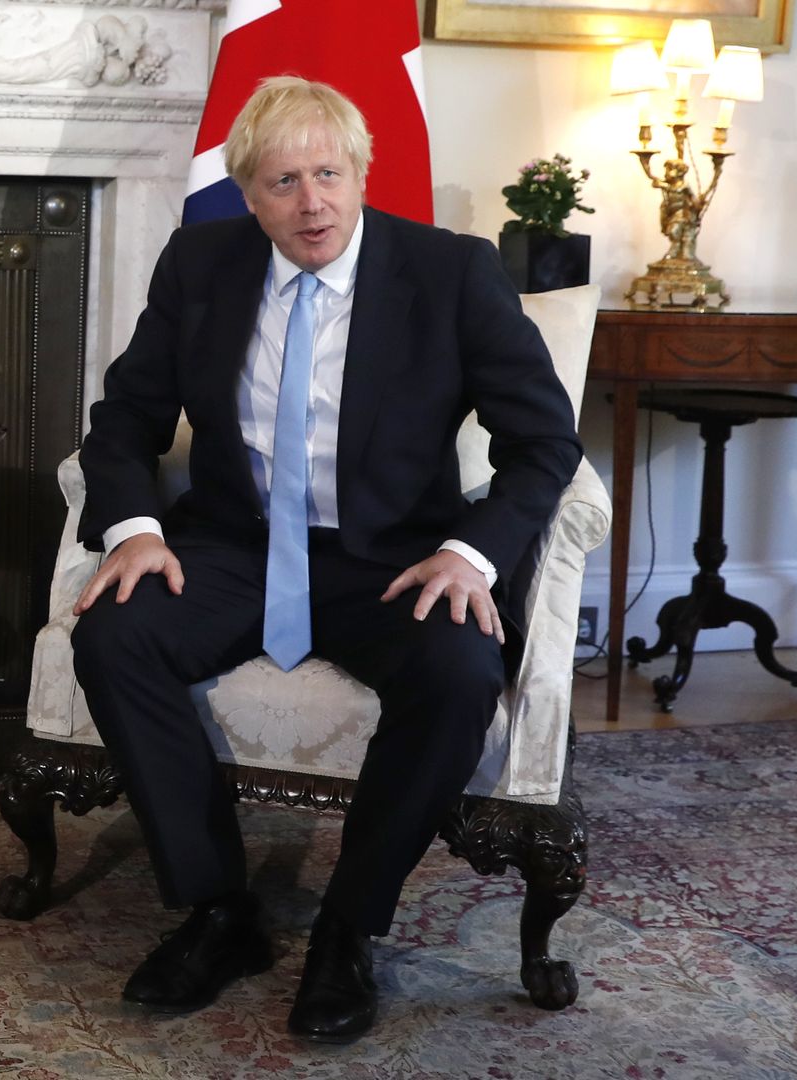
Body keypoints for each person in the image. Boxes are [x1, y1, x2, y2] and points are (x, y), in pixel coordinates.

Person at [70, 76, 581, 1044]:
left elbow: (546, 443)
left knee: (460, 665)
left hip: (390, 557)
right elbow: (124, 420)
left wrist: (471, 554)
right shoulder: (201, 262)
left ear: (361, 172)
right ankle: (219, 911)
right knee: (114, 633)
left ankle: (348, 926)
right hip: (236, 543)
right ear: (246, 193)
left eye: (328, 174)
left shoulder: (451, 272)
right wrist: (135, 529)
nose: (312, 203)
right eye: (282, 181)